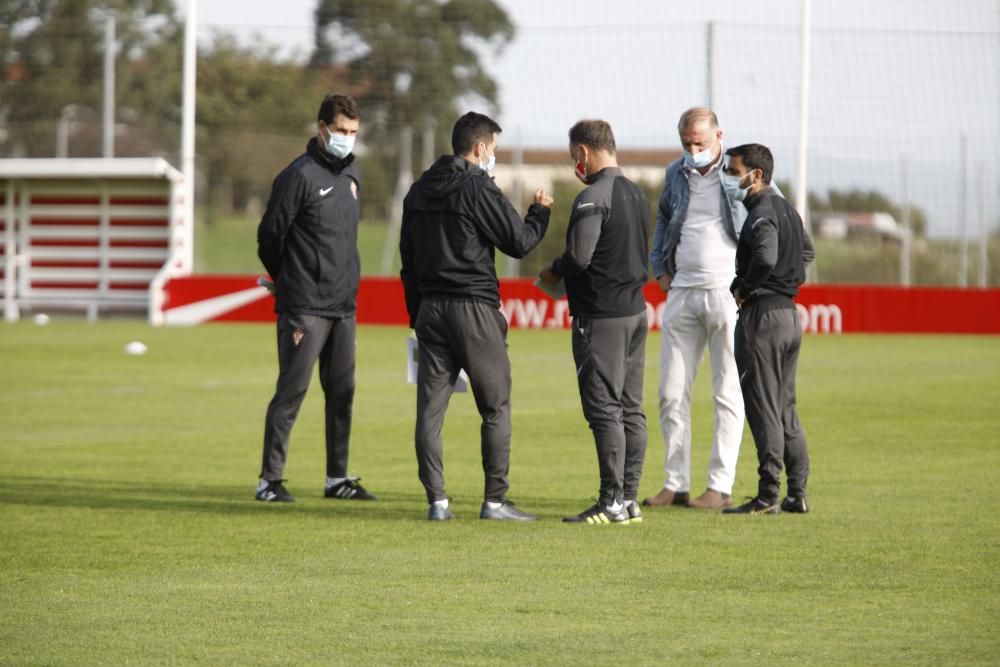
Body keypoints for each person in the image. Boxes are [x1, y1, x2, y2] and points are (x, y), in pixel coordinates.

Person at [400, 111, 553, 521]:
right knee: (495, 406)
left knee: (430, 413)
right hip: (473, 308)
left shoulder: (417, 191)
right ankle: (495, 501)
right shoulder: (476, 188)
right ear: (481, 148)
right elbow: (519, 242)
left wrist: (418, 313)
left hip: (430, 309)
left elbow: (407, 261)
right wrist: (539, 212)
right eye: (495, 151)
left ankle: (437, 503)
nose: (494, 159)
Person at [254, 93, 376, 503]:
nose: (347, 138)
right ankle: (269, 481)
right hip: (305, 305)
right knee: (292, 391)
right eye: (341, 130)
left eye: (353, 132)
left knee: (343, 393)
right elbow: (269, 237)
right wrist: (288, 279)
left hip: (344, 306)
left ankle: (336, 479)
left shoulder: (352, 175)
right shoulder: (298, 177)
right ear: (322, 128)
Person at [538, 119, 650, 525]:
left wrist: (551, 271)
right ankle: (631, 498)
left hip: (601, 316)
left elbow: (580, 258)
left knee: (604, 409)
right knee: (631, 407)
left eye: (574, 157)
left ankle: (611, 501)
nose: (575, 165)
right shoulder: (636, 194)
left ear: (583, 152)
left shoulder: (592, 197)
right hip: (636, 311)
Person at [643, 107, 745, 511]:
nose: (692, 150)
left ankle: (719, 486)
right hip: (682, 291)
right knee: (671, 392)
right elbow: (664, 220)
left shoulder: (741, 170)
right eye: (686, 143)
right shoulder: (675, 173)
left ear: (719, 136)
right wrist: (660, 270)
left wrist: (749, 281)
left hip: (726, 292)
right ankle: (675, 483)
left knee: (726, 392)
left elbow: (765, 216)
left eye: (700, 143)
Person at [720, 143, 814, 515]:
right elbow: (806, 253)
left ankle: (767, 495)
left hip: (763, 319)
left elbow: (766, 257)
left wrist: (744, 287)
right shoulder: (788, 210)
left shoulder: (761, 212)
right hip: (790, 316)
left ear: (755, 175)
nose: (728, 177)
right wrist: (789, 282)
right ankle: (797, 493)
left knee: (763, 407)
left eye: (732, 170)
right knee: (786, 407)